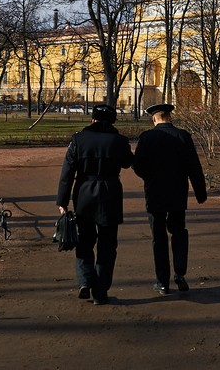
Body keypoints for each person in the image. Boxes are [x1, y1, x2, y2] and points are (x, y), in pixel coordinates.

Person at [56, 104, 134, 305]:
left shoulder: (78, 139)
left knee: (84, 240)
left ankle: (84, 281)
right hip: (110, 192)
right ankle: (100, 291)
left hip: (84, 192)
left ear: (92, 119)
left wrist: (62, 201)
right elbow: (127, 162)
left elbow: (67, 173)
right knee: (108, 244)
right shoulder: (119, 141)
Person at [133, 103, 207, 295]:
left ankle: (162, 282)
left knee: (158, 237)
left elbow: (138, 166)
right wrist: (200, 192)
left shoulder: (147, 137)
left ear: (154, 118)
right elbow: (194, 167)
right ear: (170, 117)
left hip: (155, 193)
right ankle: (180, 272)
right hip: (177, 192)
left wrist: (149, 177)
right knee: (178, 231)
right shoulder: (183, 136)